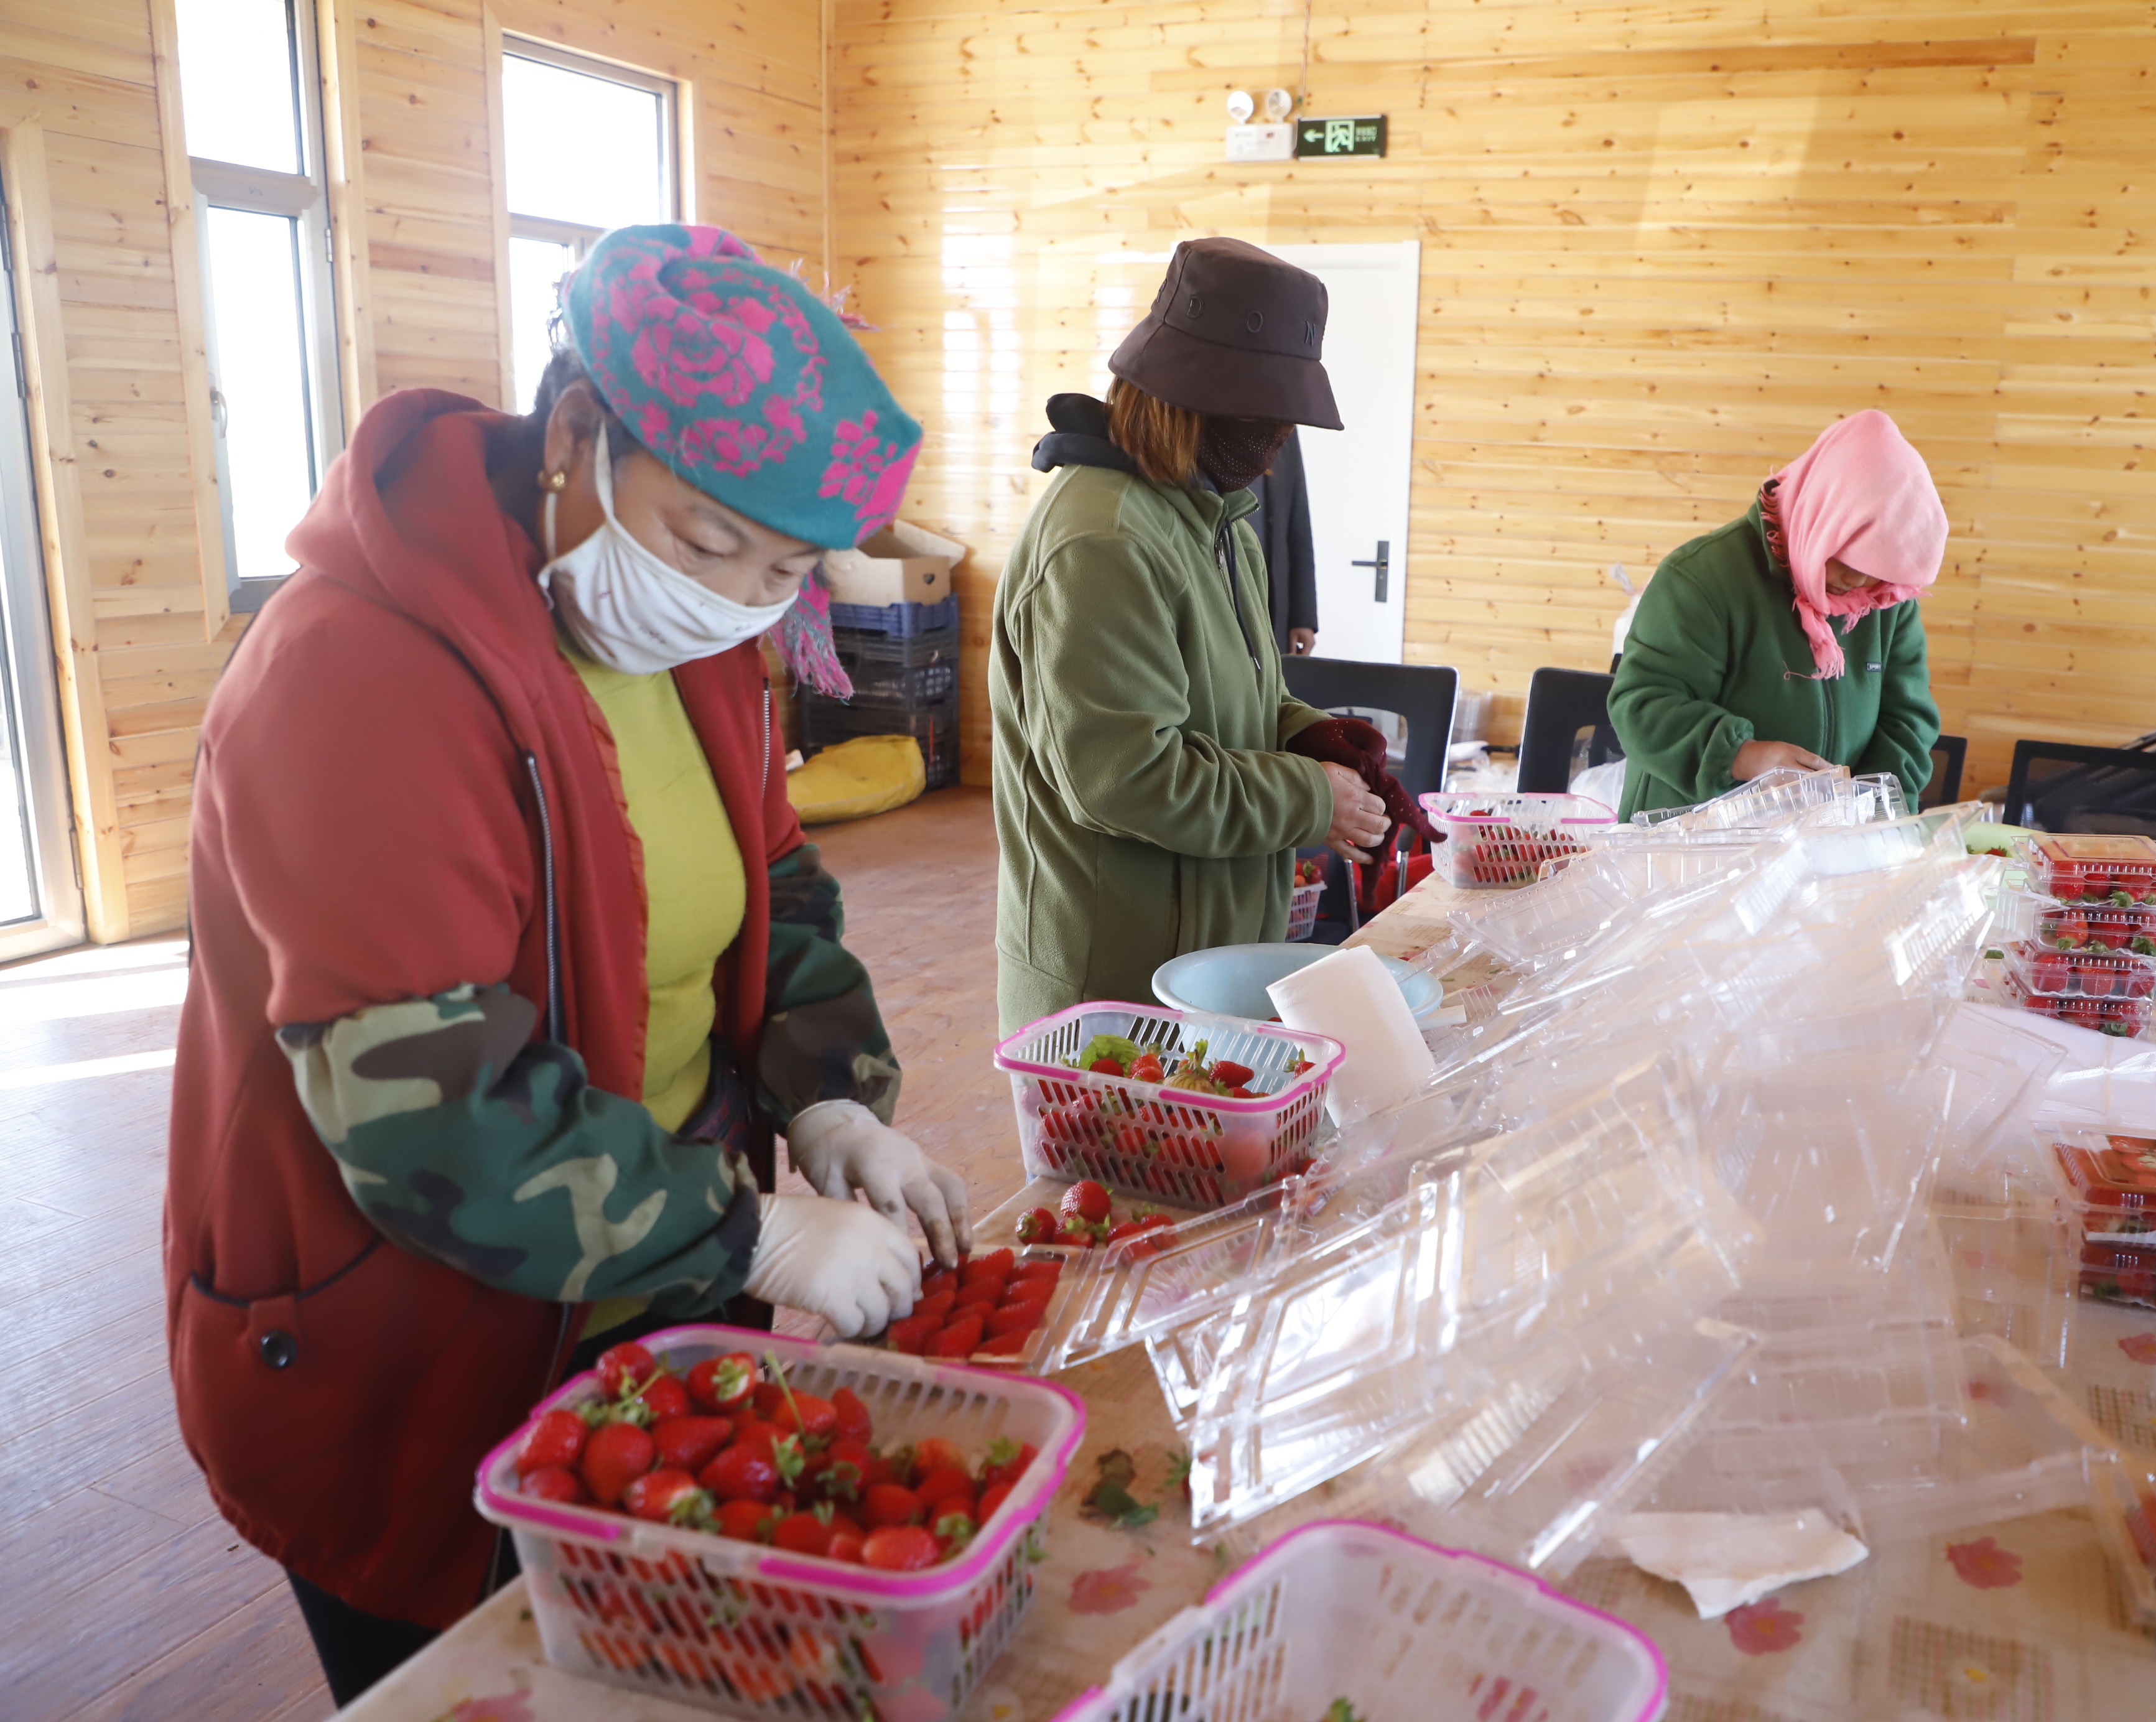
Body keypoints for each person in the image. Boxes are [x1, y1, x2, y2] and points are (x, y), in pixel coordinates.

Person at [164, 225, 972, 1703]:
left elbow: (769, 888)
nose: (733, 591)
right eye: (705, 538)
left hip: (646, 1278)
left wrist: (831, 1100)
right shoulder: (356, 675)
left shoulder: (706, 638)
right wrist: (751, 1241)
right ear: (579, 430)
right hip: (412, 1335)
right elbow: (433, 1111)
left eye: (780, 565)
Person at [989, 237, 1418, 1033]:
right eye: (1268, 416)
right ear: (1192, 398)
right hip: (1114, 991)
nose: (1279, 445)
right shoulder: (1102, 543)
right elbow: (1124, 777)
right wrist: (1306, 796)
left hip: (1206, 960)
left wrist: (1314, 735)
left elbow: (1242, 695)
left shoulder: (1218, 522)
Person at [1607, 410, 1946, 819]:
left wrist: (1871, 812)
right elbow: (1640, 704)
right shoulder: (1702, 578)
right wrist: (1744, 757)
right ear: (1822, 516)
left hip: (1821, 848)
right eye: (1846, 554)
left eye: (1875, 567)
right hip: (1686, 844)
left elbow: (1908, 722)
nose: (1857, 580)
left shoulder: (1883, 598)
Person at [1253, 427, 1318, 654]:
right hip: (1215, 598)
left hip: (1272, 608)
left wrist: (1302, 615)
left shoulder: (1282, 413)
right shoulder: (1196, 405)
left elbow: (1297, 516)